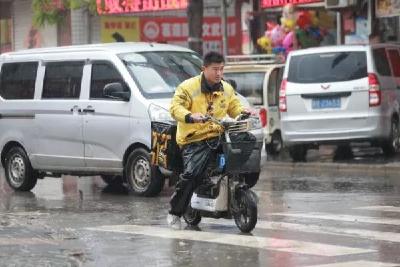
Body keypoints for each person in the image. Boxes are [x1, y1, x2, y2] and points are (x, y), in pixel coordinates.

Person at [167, 51, 250, 229]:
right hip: (194, 139)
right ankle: (175, 212)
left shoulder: (226, 88)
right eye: (215, 69)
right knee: (192, 175)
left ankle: (235, 187)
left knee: (247, 141)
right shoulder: (187, 87)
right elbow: (175, 108)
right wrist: (190, 116)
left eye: (221, 69)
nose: (219, 73)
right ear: (204, 69)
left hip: (218, 136)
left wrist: (242, 112)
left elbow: (234, 106)